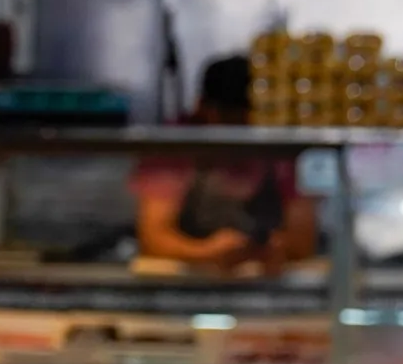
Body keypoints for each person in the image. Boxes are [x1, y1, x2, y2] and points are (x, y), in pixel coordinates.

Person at [131, 56, 318, 272]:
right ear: (201, 107)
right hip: (186, 282)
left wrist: (274, 249)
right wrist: (206, 252)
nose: (238, 132)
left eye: (247, 121)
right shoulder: (174, 145)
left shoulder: (282, 148)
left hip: (265, 281)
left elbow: (302, 239)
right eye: (229, 118)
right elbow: (152, 237)